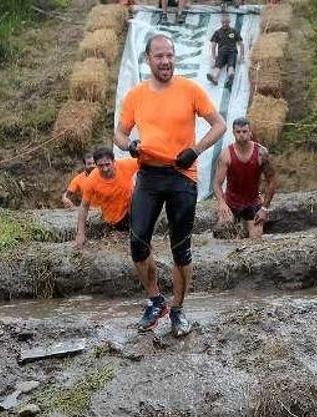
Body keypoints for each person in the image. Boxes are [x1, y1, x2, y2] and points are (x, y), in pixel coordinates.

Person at [114, 34, 226, 336]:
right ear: (148, 59)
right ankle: (155, 301)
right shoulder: (136, 95)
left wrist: (197, 150)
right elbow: (119, 134)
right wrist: (130, 146)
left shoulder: (190, 89)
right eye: (159, 56)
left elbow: (219, 124)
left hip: (181, 175)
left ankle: (177, 309)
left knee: (181, 249)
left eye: (170, 56)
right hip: (149, 175)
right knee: (138, 243)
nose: (166, 61)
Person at [213, 117, 276, 239]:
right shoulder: (226, 154)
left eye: (244, 131)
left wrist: (264, 208)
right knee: (222, 233)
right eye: (238, 132)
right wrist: (221, 203)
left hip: (253, 202)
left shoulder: (261, 153)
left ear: (250, 132)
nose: (241, 135)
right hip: (231, 202)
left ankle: (247, 230)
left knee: (255, 242)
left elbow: (272, 181)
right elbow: (216, 184)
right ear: (233, 133)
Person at [74, 148, 138, 247]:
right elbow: (84, 206)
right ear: (95, 165)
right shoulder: (92, 181)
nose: (105, 169)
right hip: (114, 218)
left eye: (108, 164)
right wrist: (80, 233)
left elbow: (147, 162)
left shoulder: (125, 165)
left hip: (132, 209)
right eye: (100, 166)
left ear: (114, 162)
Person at [207, 14, 244, 90]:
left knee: (218, 65)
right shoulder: (234, 31)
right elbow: (241, 44)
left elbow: (213, 46)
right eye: (224, 22)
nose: (225, 24)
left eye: (226, 22)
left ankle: (215, 77)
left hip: (226, 51)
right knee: (230, 65)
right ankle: (230, 75)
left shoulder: (218, 32)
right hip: (230, 51)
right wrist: (241, 56)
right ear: (221, 22)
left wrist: (214, 57)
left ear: (229, 22)